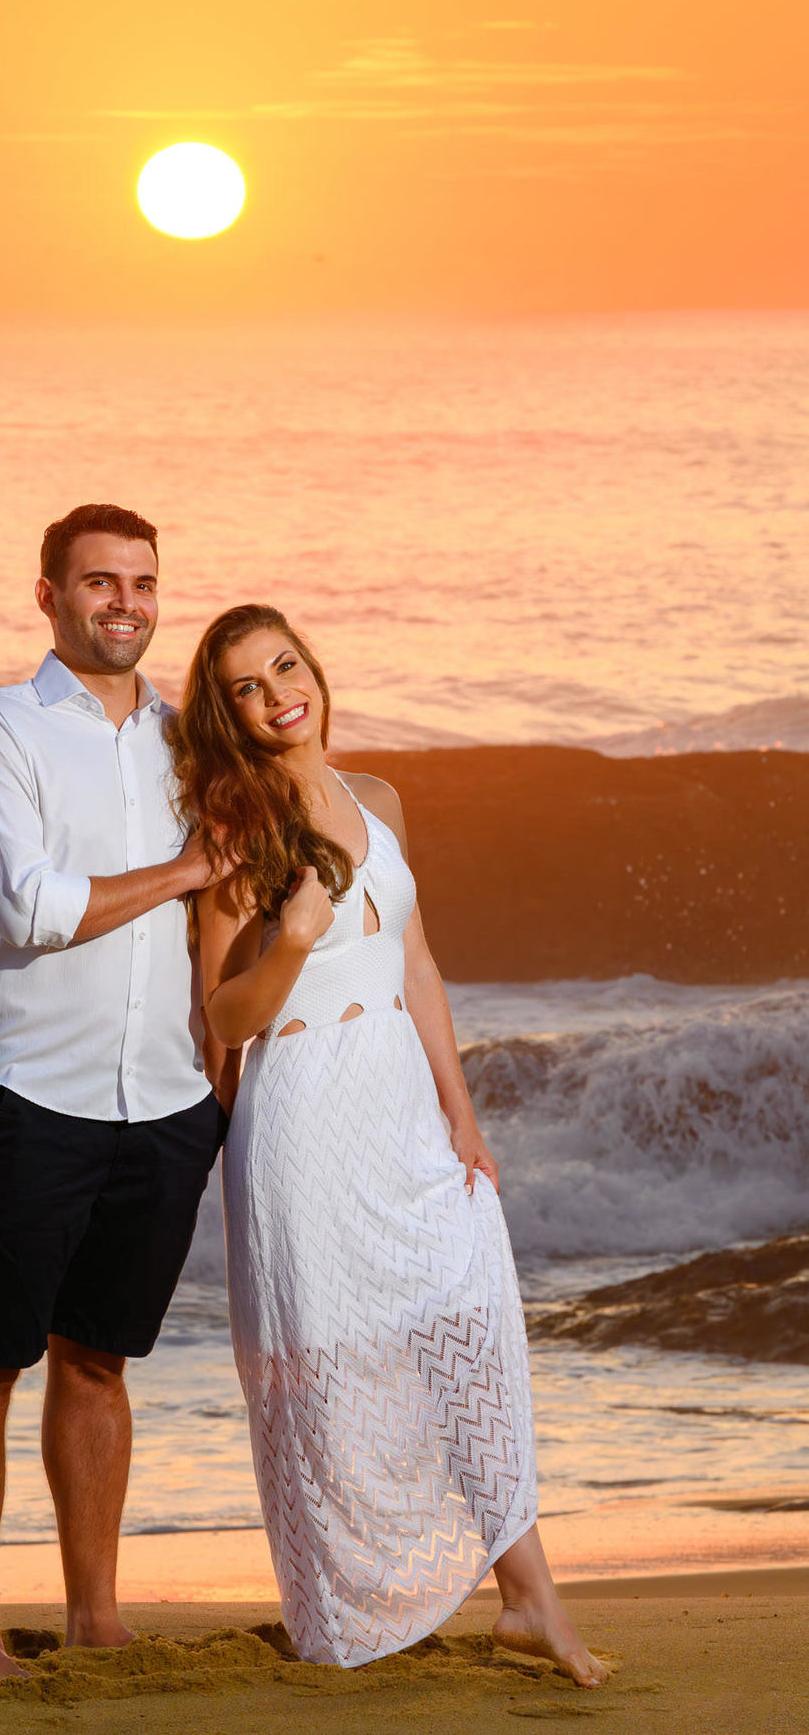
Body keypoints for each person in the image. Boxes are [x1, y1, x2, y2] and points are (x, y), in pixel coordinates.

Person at [169, 603, 607, 1685]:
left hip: (401, 1100)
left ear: (313, 667)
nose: (279, 695)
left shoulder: (378, 799)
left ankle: (526, 1597)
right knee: (330, 1367)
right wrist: (295, 937)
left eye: (285, 666)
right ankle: (350, 1607)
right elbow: (222, 1018)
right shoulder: (231, 830)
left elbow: (419, 965)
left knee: (469, 1313)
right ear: (228, 717)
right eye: (247, 689)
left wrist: (462, 1112)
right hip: (305, 1112)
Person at [0, 504, 224, 1680]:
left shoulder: (187, 740)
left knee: (99, 1361)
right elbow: (31, 908)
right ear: (47, 594)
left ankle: (98, 1619)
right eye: (99, 582)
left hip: (164, 1103)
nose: (125, 604)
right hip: (30, 1094)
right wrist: (189, 867)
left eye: (143, 584)